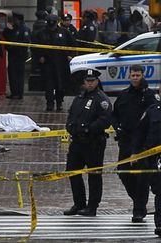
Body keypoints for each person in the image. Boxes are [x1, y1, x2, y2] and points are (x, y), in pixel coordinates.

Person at [112, 64, 158, 223]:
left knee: (141, 176)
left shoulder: (149, 95)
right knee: (123, 172)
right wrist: (117, 127)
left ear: (143, 75)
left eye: (138, 75)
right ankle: (138, 201)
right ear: (129, 76)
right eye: (133, 75)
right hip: (125, 140)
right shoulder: (123, 95)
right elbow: (114, 114)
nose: (135, 78)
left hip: (142, 143)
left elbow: (153, 115)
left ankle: (139, 209)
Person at [64, 69, 112, 217]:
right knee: (73, 171)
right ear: (84, 82)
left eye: (92, 81)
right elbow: (72, 115)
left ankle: (92, 206)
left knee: (94, 175)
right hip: (77, 142)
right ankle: (79, 203)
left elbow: (105, 120)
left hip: (93, 143)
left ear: (97, 81)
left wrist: (88, 129)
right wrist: (70, 127)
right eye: (87, 81)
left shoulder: (101, 99)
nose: (90, 83)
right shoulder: (79, 97)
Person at [132, 86, 161, 237]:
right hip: (155, 158)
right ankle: (160, 224)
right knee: (160, 191)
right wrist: (135, 152)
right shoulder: (152, 111)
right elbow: (140, 132)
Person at [34, 14, 75, 111]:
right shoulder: (41, 33)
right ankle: (50, 103)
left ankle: (59, 102)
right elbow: (35, 47)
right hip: (47, 63)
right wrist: (40, 57)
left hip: (61, 63)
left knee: (60, 84)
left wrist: (70, 55)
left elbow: (72, 44)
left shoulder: (64, 32)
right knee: (48, 85)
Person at [3, 11, 31, 99]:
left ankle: (19, 93)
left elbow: (25, 42)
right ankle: (14, 91)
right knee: (12, 74)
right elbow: (7, 36)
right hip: (12, 55)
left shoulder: (24, 28)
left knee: (19, 75)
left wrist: (13, 46)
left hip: (19, 55)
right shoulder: (14, 28)